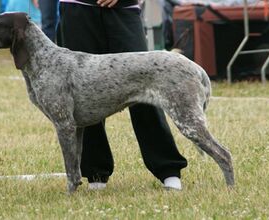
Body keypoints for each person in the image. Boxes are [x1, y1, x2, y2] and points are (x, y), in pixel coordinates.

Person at [58, 0, 187, 190]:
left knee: (144, 89)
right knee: (85, 94)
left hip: (124, 10)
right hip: (77, 9)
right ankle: (95, 174)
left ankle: (169, 170)